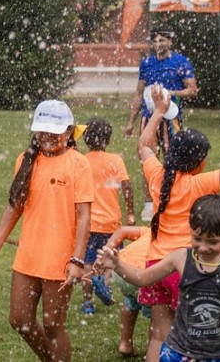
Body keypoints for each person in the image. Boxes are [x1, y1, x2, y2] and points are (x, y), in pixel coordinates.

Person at [136, 84, 220, 362]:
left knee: (159, 335)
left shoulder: (158, 175)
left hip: (154, 264)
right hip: (183, 266)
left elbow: (144, 146)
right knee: (190, 336)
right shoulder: (199, 183)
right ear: (200, 161)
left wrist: (159, 112)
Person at [0, 100, 94, 362]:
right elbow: (15, 206)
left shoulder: (78, 163)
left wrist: (77, 259)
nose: (48, 137)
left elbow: (85, 216)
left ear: (70, 131)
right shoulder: (25, 160)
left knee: (53, 325)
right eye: (42, 131)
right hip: (28, 256)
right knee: (19, 319)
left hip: (60, 260)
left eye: (55, 131)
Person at [97, 194, 220, 362]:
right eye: (197, 239)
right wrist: (118, 265)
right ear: (190, 230)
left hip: (219, 354)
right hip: (180, 352)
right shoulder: (180, 258)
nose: (203, 248)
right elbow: (143, 278)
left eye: (212, 242)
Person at [123, 27, 198, 222]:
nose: (158, 44)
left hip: (171, 118)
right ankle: (149, 205)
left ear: (170, 42)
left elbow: (192, 90)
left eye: (162, 40)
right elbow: (139, 93)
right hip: (149, 119)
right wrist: (131, 121)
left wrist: (170, 93)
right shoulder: (147, 63)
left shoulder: (181, 62)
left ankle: (173, 198)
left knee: (174, 159)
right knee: (148, 160)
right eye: (155, 40)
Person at [80, 117, 135, 314]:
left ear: (86, 140)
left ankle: (87, 303)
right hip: (112, 223)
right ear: (108, 140)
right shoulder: (115, 160)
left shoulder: (82, 162)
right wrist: (130, 212)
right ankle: (103, 282)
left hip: (88, 224)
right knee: (110, 259)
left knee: (87, 262)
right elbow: (126, 186)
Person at [104, 225, 153, 358]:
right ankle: (152, 352)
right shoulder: (176, 238)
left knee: (131, 301)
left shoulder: (149, 230)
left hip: (121, 270)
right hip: (143, 274)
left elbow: (122, 230)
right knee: (159, 313)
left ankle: (126, 343)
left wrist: (107, 252)